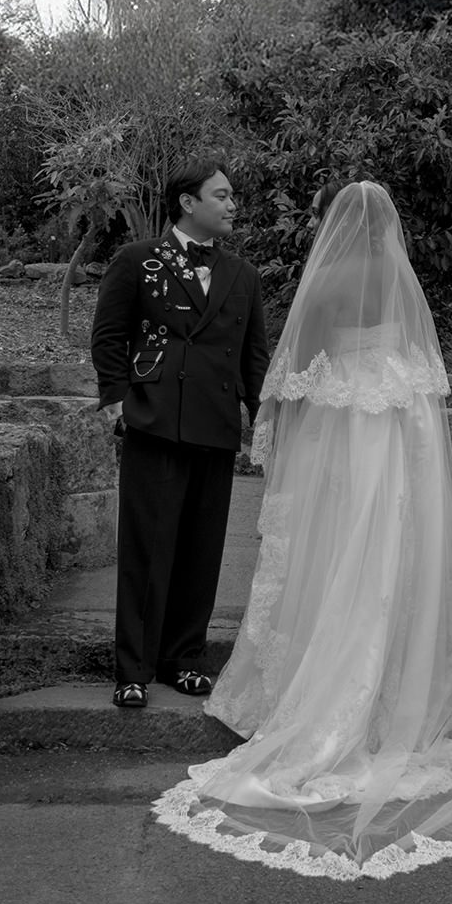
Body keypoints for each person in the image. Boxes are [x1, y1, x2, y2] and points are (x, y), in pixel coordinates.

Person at [152, 180, 452, 880]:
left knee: (336, 551)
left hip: (342, 436)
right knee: (389, 553)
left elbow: (297, 371)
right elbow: (417, 373)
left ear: (335, 226)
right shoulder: (399, 279)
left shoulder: (328, 281)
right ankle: (392, 693)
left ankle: (329, 691)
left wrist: (278, 430)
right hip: (394, 438)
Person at [91, 159, 272, 710]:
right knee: (147, 548)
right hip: (155, 420)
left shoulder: (243, 275)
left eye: (232, 195)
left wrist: (264, 419)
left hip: (215, 425)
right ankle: (133, 669)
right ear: (188, 202)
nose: (233, 205)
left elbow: (254, 357)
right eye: (222, 195)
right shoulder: (136, 260)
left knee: (202, 548)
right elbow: (109, 335)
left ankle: (184, 659)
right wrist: (118, 404)